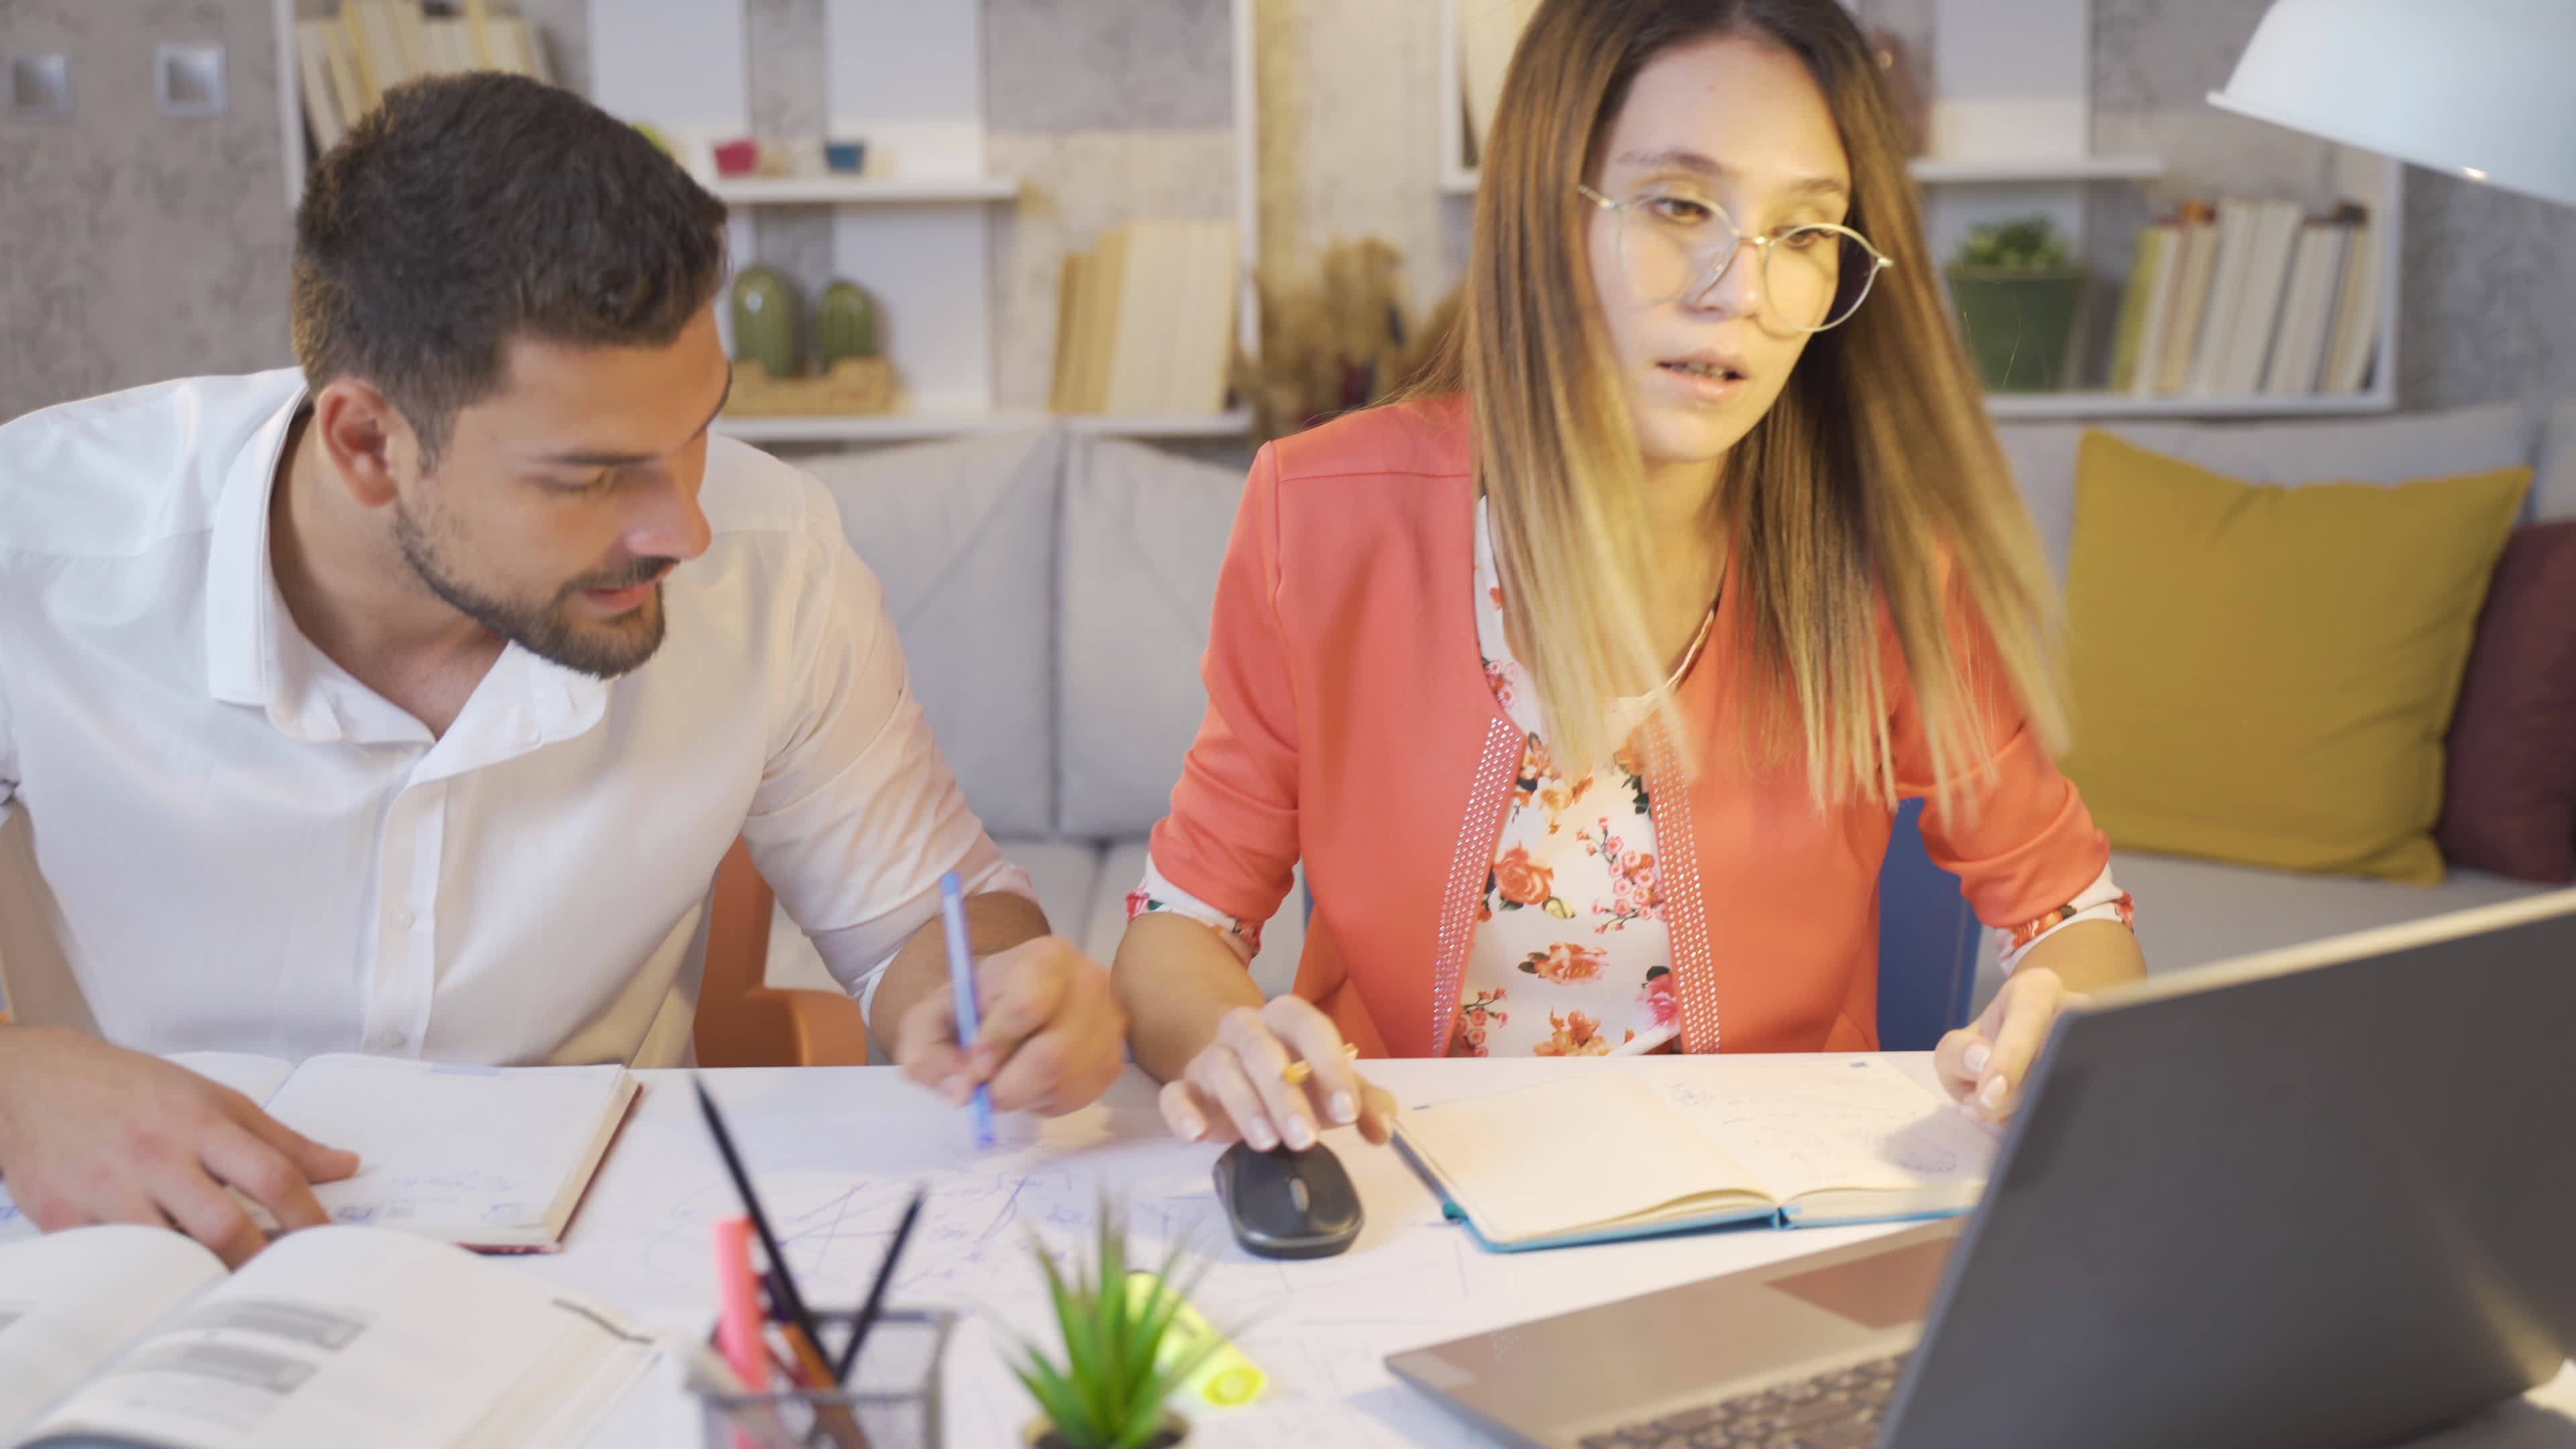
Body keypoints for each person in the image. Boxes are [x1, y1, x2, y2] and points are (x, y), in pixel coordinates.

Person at [0, 74, 1123, 1267]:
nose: (684, 527)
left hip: (593, 1267)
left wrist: (1006, 1000)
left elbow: (924, 923)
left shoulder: (776, 560)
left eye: (697, 430)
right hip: (146, 1252)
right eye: (590, 477)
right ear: (368, 444)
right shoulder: (35, 544)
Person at [1116, 0, 2145, 1155]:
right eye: (1678, 205)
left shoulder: (1887, 552)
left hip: (1768, 1199)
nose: (1740, 289)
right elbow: (1180, 928)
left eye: (1805, 232)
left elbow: (2074, 917)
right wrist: (1235, 1047)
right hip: (1405, 1180)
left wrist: (2056, 1021)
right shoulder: (1319, 514)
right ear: (1546, 213)